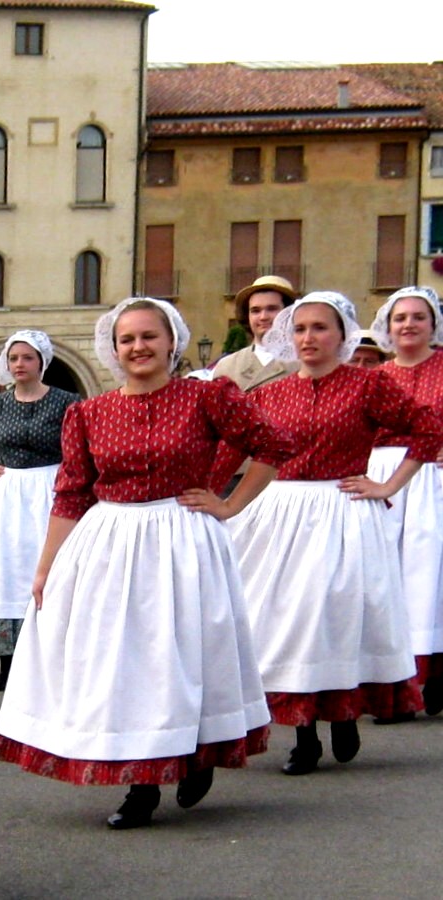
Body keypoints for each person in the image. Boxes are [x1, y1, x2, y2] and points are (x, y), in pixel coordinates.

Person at [0, 297, 292, 830]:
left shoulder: (207, 396)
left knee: (182, 657)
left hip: (183, 540)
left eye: (149, 336)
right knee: (125, 664)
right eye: (127, 339)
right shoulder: (89, 411)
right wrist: (45, 569)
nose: (138, 347)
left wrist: (228, 504)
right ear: (114, 347)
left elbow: (270, 445)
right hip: (109, 540)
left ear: (172, 341)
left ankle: (196, 752)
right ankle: (142, 782)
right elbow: (71, 493)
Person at [217, 292, 437, 775]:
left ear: (342, 335)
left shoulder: (366, 385)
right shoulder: (268, 395)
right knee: (285, 624)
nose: (309, 338)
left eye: (320, 328)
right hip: (281, 512)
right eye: (299, 329)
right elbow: (229, 451)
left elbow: (427, 429)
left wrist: (388, 483)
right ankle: (304, 735)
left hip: (343, 511)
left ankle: (341, 712)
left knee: (332, 620)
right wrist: (212, 501)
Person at [0, 331, 79, 692]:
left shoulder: (67, 402)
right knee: (9, 575)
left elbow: (81, 447)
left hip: (51, 491)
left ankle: (54, 659)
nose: (19, 365)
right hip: (7, 497)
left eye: (27, 358)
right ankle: (9, 665)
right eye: (14, 358)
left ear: (42, 362)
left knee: (51, 572)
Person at [368, 286, 443, 717]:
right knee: (386, 579)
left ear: (433, 324)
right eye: (400, 318)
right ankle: (390, 685)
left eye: (418, 317)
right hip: (383, 480)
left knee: (428, 579)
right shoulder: (375, 377)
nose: (409, 325)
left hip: (433, 478)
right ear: (388, 326)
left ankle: (430, 676)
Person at [210, 274, 300, 392]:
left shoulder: (306, 363)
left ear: (289, 313)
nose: (263, 317)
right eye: (256, 311)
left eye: (272, 309)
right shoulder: (227, 367)